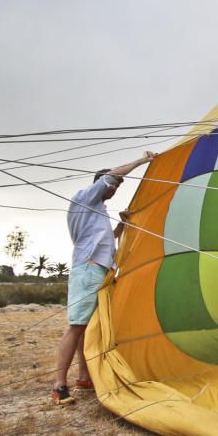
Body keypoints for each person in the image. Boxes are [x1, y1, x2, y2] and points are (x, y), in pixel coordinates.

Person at [52, 151, 156, 405]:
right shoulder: (84, 199)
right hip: (88, 271)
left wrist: (122, 226)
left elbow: (105, 242)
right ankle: (59, 385)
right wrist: (142, 161)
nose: (115, 190)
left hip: (97, 270)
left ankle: (84, 377)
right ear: (100, 183)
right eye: (115, 186)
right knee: (76, 326)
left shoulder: (96, 211)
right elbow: (111, 177)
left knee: (86, 327)